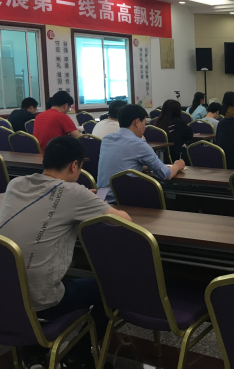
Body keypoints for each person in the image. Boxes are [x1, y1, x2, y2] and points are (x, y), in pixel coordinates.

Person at [0, 136, 131, 367]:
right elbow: (124, 220)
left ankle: (33, 354)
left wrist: (82, 198)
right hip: (41, 298)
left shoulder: (16, 184)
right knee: (115, 287)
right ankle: (78, 353)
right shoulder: (74, 193)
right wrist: (94, 202)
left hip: (6, 294)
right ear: (74, 165)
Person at [97, 104, 185, 203]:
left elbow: (119, 164)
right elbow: (166, 174)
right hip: (122, 200)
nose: (145, 127)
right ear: (137, 122)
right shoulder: (138, 143)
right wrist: (177, 165)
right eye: (144, 123)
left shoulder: (107, 139)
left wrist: (146, 167)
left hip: (101, 199)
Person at [154, 99, 194, 164]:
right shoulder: (180, 122)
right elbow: (190, 134)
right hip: (176, 157)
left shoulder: (157, 122)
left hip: (159, 157)